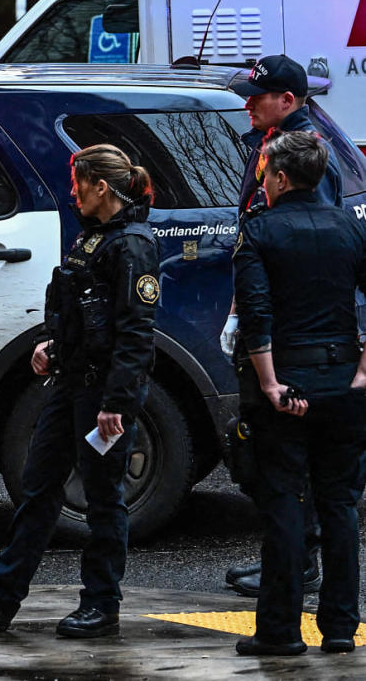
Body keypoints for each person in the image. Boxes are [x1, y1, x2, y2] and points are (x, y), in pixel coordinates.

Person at [0, 144, 159, 638]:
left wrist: (117, 405)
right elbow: (77, 311)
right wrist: (49, 344)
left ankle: (102, 605)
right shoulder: (94, 239)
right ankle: (1, 595)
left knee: (104, 500)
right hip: (70, 385)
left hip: (103, 395)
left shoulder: (132, 246)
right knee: (39, 487)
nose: (72, 191)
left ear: (101, 187)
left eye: (78, 182)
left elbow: (135, 334)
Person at [231, 130, 366, 656]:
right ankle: (339, 628)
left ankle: (281, 631)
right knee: (340, 505)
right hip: (343, 381)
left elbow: (256, 313)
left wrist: (268, 383)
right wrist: (361, 371)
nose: (262, 181)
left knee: (285, 503)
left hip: (286, 382)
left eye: (265, 173)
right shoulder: (349, 229)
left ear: (281, 178)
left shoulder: (259, 232)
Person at [219, 54, 340, 598]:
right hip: (279, 315)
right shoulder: (272, 143)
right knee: (272, 449)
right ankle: (294, 559)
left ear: (287, 101)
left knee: (289, 449)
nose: (248, 101)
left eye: (257, 95)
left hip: (295, 327)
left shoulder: (305, 152)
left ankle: (301, 564)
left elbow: (315, 241)